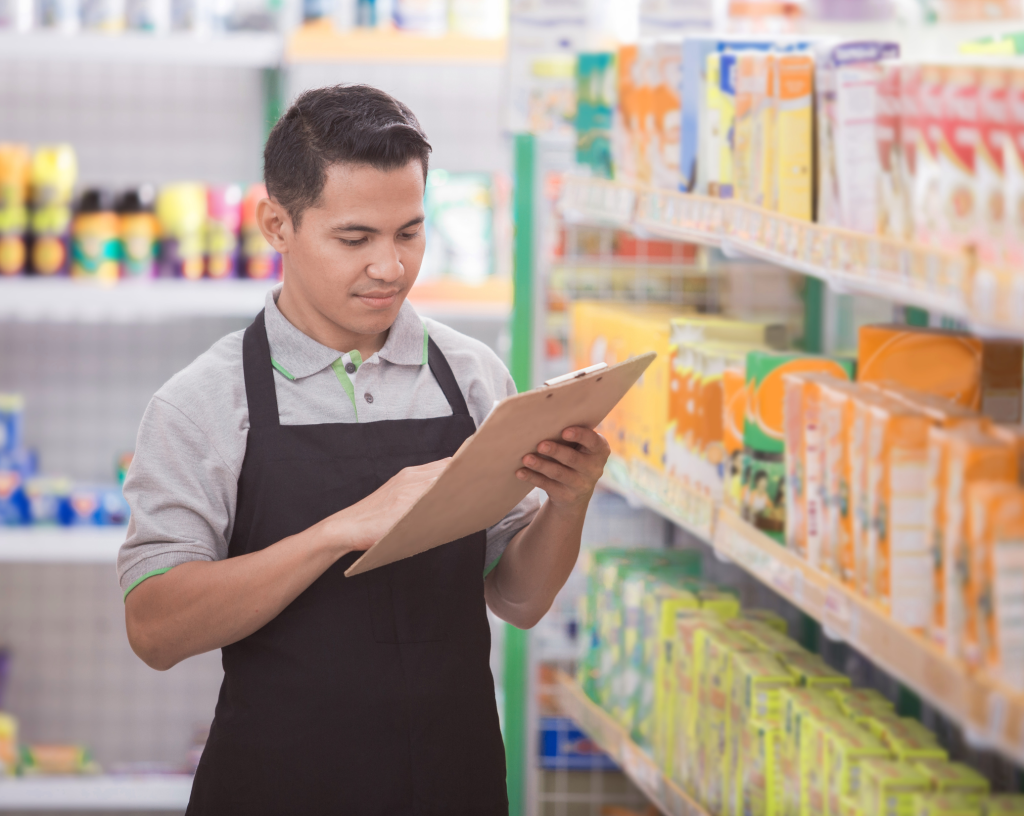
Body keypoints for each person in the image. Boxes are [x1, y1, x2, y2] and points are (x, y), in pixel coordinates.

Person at [117, 84, 610, 815]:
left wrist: (567, 503)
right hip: (276, 791)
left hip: (452, 783)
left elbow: (519, 598)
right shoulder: (204, 403)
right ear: (277, 225)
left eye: (409, 233)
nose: (390, 267)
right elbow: (155, 629)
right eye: (355, 240)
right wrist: (341, 530)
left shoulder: (472, 377)